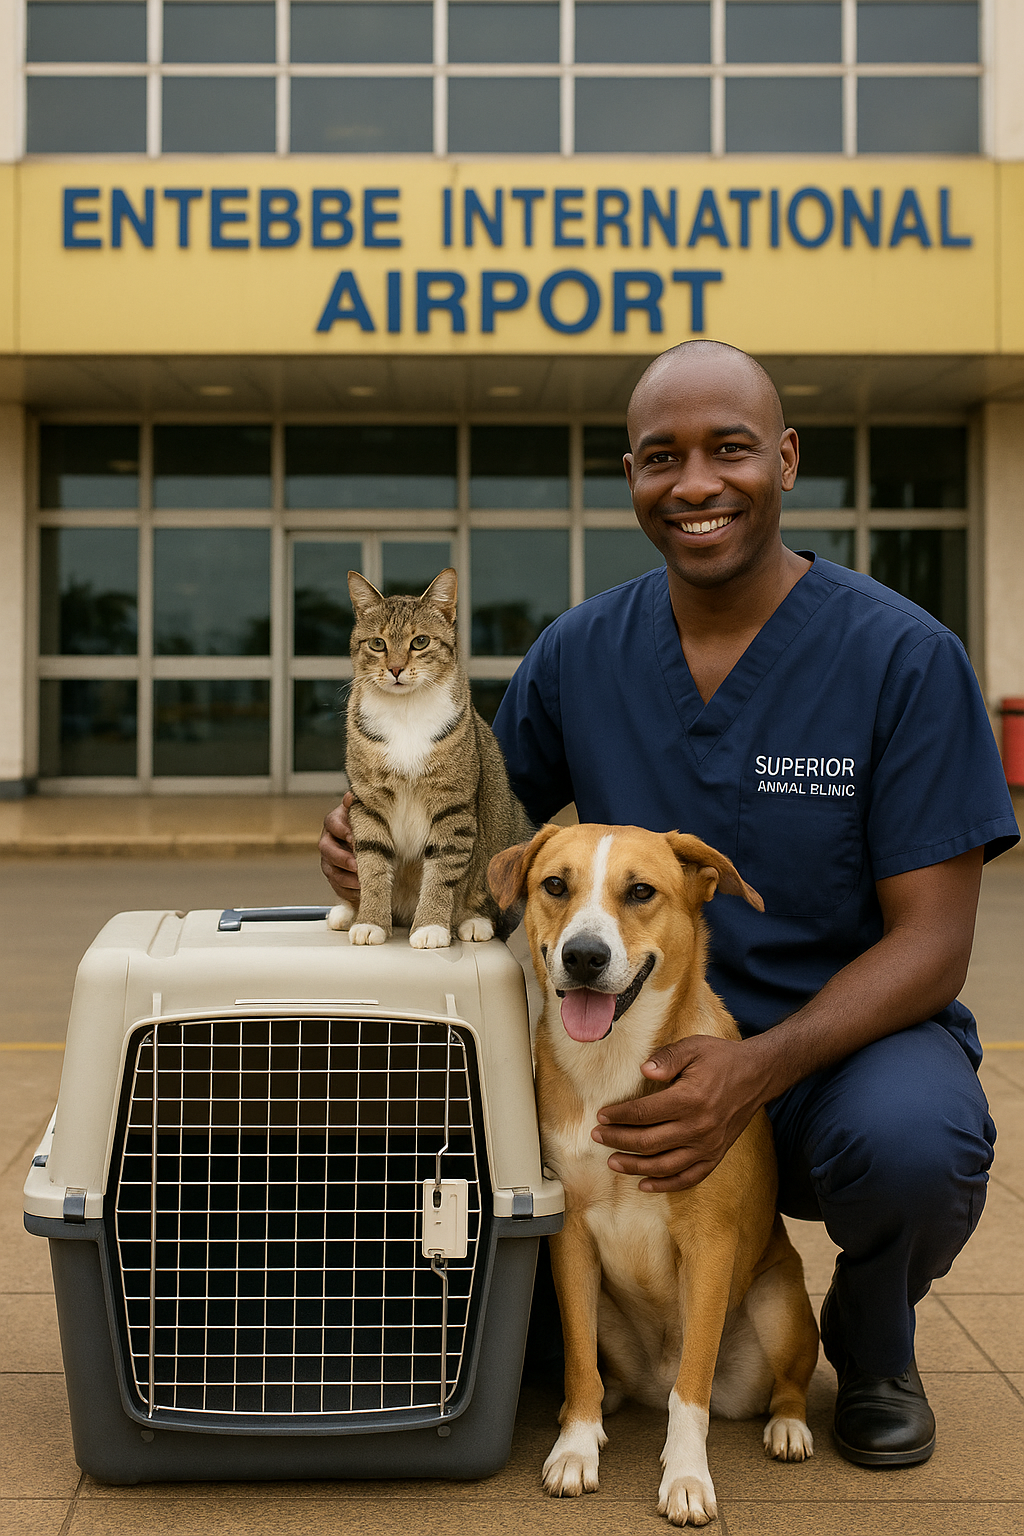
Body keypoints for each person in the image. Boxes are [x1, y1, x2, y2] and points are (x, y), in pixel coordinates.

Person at [320, 340, 1019, 1469]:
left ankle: (871, 1343)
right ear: (631, 479)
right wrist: (373, 842)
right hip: (622, 1051)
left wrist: (752, 1070)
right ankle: (515, 1333)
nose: (694, 482)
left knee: (918, 1143)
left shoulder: (900, 657)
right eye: (661, 457)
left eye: (728, 449)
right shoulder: (582, 650)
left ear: (785, 461)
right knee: (426, 1065)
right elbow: (488, 827)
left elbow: (934, 944)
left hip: (831, 1052)